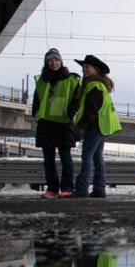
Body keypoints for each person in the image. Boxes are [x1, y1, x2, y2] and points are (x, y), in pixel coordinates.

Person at [30, 48, 82, 198]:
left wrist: (70, 114)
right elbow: (37, 100)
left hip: (64, 124)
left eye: (56, 60)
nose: (54, 63)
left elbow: (77, 99)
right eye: (50, 60)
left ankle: (67, 188)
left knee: (66, 157)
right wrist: (37, 115)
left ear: (61, 61)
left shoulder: (71, 79)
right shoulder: (41, 80)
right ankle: (52, 189)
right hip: (46, 124)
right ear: (46, 63)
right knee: (48, 159)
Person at [71, 54, 120, 198]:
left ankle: (81, 189)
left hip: (96, 125)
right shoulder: (99, 85)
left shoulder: (94, 85)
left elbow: (91, 109)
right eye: (84, 67)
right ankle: (99, 189)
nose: (84, 69)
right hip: (102, 125)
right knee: (97, 157)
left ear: (96, 70)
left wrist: (80, 126)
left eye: (88, 67)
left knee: (87, 156)